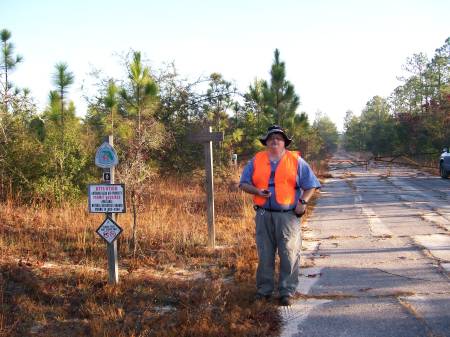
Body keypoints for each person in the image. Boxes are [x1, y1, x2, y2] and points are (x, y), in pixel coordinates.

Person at [239, 125, 321, 306]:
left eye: (279, 138)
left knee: (289, 253)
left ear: (284, 142)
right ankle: (264, 291)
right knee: (265, 254)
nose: (275, 140)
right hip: (263, 215)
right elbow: (243, 183)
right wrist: (257, 191)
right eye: (271, 138)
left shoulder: (296, 161)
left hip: (288, 216)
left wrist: (303, 202)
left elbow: (312, 185)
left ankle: (287, 291)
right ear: (266, 142)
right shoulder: (256, 160)